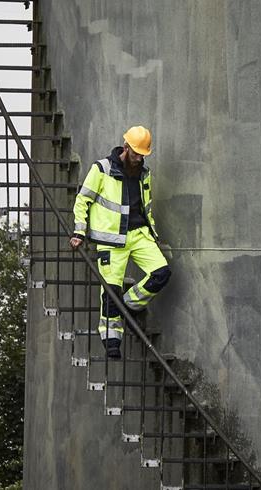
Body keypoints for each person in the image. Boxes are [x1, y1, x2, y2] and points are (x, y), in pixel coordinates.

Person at [70, 125, 171, 359]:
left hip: (139, 236)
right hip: (111, 241)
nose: (139, 158)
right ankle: (112, 340)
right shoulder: (102, 169)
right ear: (126, 147)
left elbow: (144, 206)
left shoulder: (144, 173)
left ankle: (129, 304)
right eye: (136, 153)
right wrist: (79, 232)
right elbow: (82, 201)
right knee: (110, 292)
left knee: (162, 273)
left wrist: (152, 232)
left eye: (143, 155)